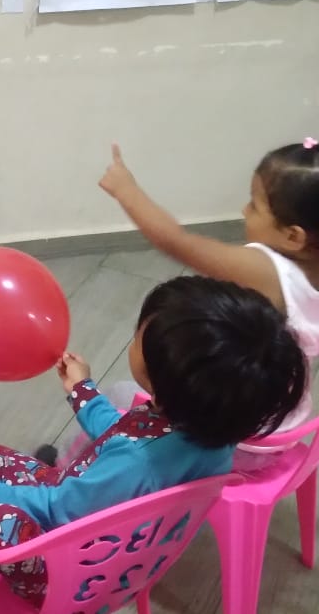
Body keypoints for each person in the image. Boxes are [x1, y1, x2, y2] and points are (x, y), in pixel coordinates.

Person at [0, 276, 307, 603]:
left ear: (165, 379)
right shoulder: (211, 428)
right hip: (122, 557)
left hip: (67, 578)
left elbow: (59, 509)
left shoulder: (135, 463)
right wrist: (81, 390)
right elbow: (122, 431)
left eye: (141, 337)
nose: (134, 337)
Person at [96, 140, 319, 455]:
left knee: (117, 396)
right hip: (287, 420)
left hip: (237, 433)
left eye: (254, 205)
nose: (244, 211)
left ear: (293, 236)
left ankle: (69, 469)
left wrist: (126, 190)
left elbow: (177, 242)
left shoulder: (266, 271)